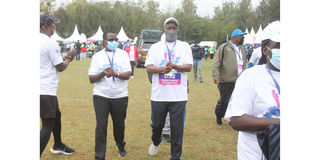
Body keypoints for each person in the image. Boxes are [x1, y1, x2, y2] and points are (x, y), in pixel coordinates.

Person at [224, 21, 280, 160]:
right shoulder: (250, 77)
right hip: (257, 153)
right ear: (265, 50)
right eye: (279, 46)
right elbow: (236, 120)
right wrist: (278, 124)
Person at [145, 17, 192, 160]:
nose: (171, 30)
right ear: (164, 29)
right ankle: (156, 140)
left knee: (177, 130)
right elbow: (148, 67)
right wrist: (162, 69)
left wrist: (174, 66)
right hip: (159, 96)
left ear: (177, 29)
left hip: (178, 96)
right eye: (168, 28)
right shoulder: (155, 47)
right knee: (157, 125)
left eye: (174, 28)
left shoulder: (184, 46)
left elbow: (188, 66)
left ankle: (176, 157)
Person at [88, 31, 131, 159]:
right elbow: (91, 79)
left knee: (119, 125)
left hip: (120, 95)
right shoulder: (97, 56)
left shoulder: (123, 54)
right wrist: (103, 73)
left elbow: (127, 74)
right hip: (101, 96)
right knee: (101, 126)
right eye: (111, 40)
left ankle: (120, 144)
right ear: (103, 43)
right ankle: (99, 156)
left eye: (116, 39)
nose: (114, 42)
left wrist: (115, 74)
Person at [40, 14, 76, 156]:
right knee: (47, 125)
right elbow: (60, 66)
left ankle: (58, 144)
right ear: (51, 26)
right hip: (45, 89)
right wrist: (69, 58)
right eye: (53, 24)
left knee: (56, 115)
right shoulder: (50, 42)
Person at [212, 29, 247, 125]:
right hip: (227, 79)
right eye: (240, 36)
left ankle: (232, 119)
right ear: (234, 37)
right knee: (225, 100)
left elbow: (244, 62)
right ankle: (219, 115)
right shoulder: (224, 47)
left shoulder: (243, 48)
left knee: (236, 101)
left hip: (239, 79)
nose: (242, 38)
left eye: (242, 36)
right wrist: (216, 76)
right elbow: (217, 63)